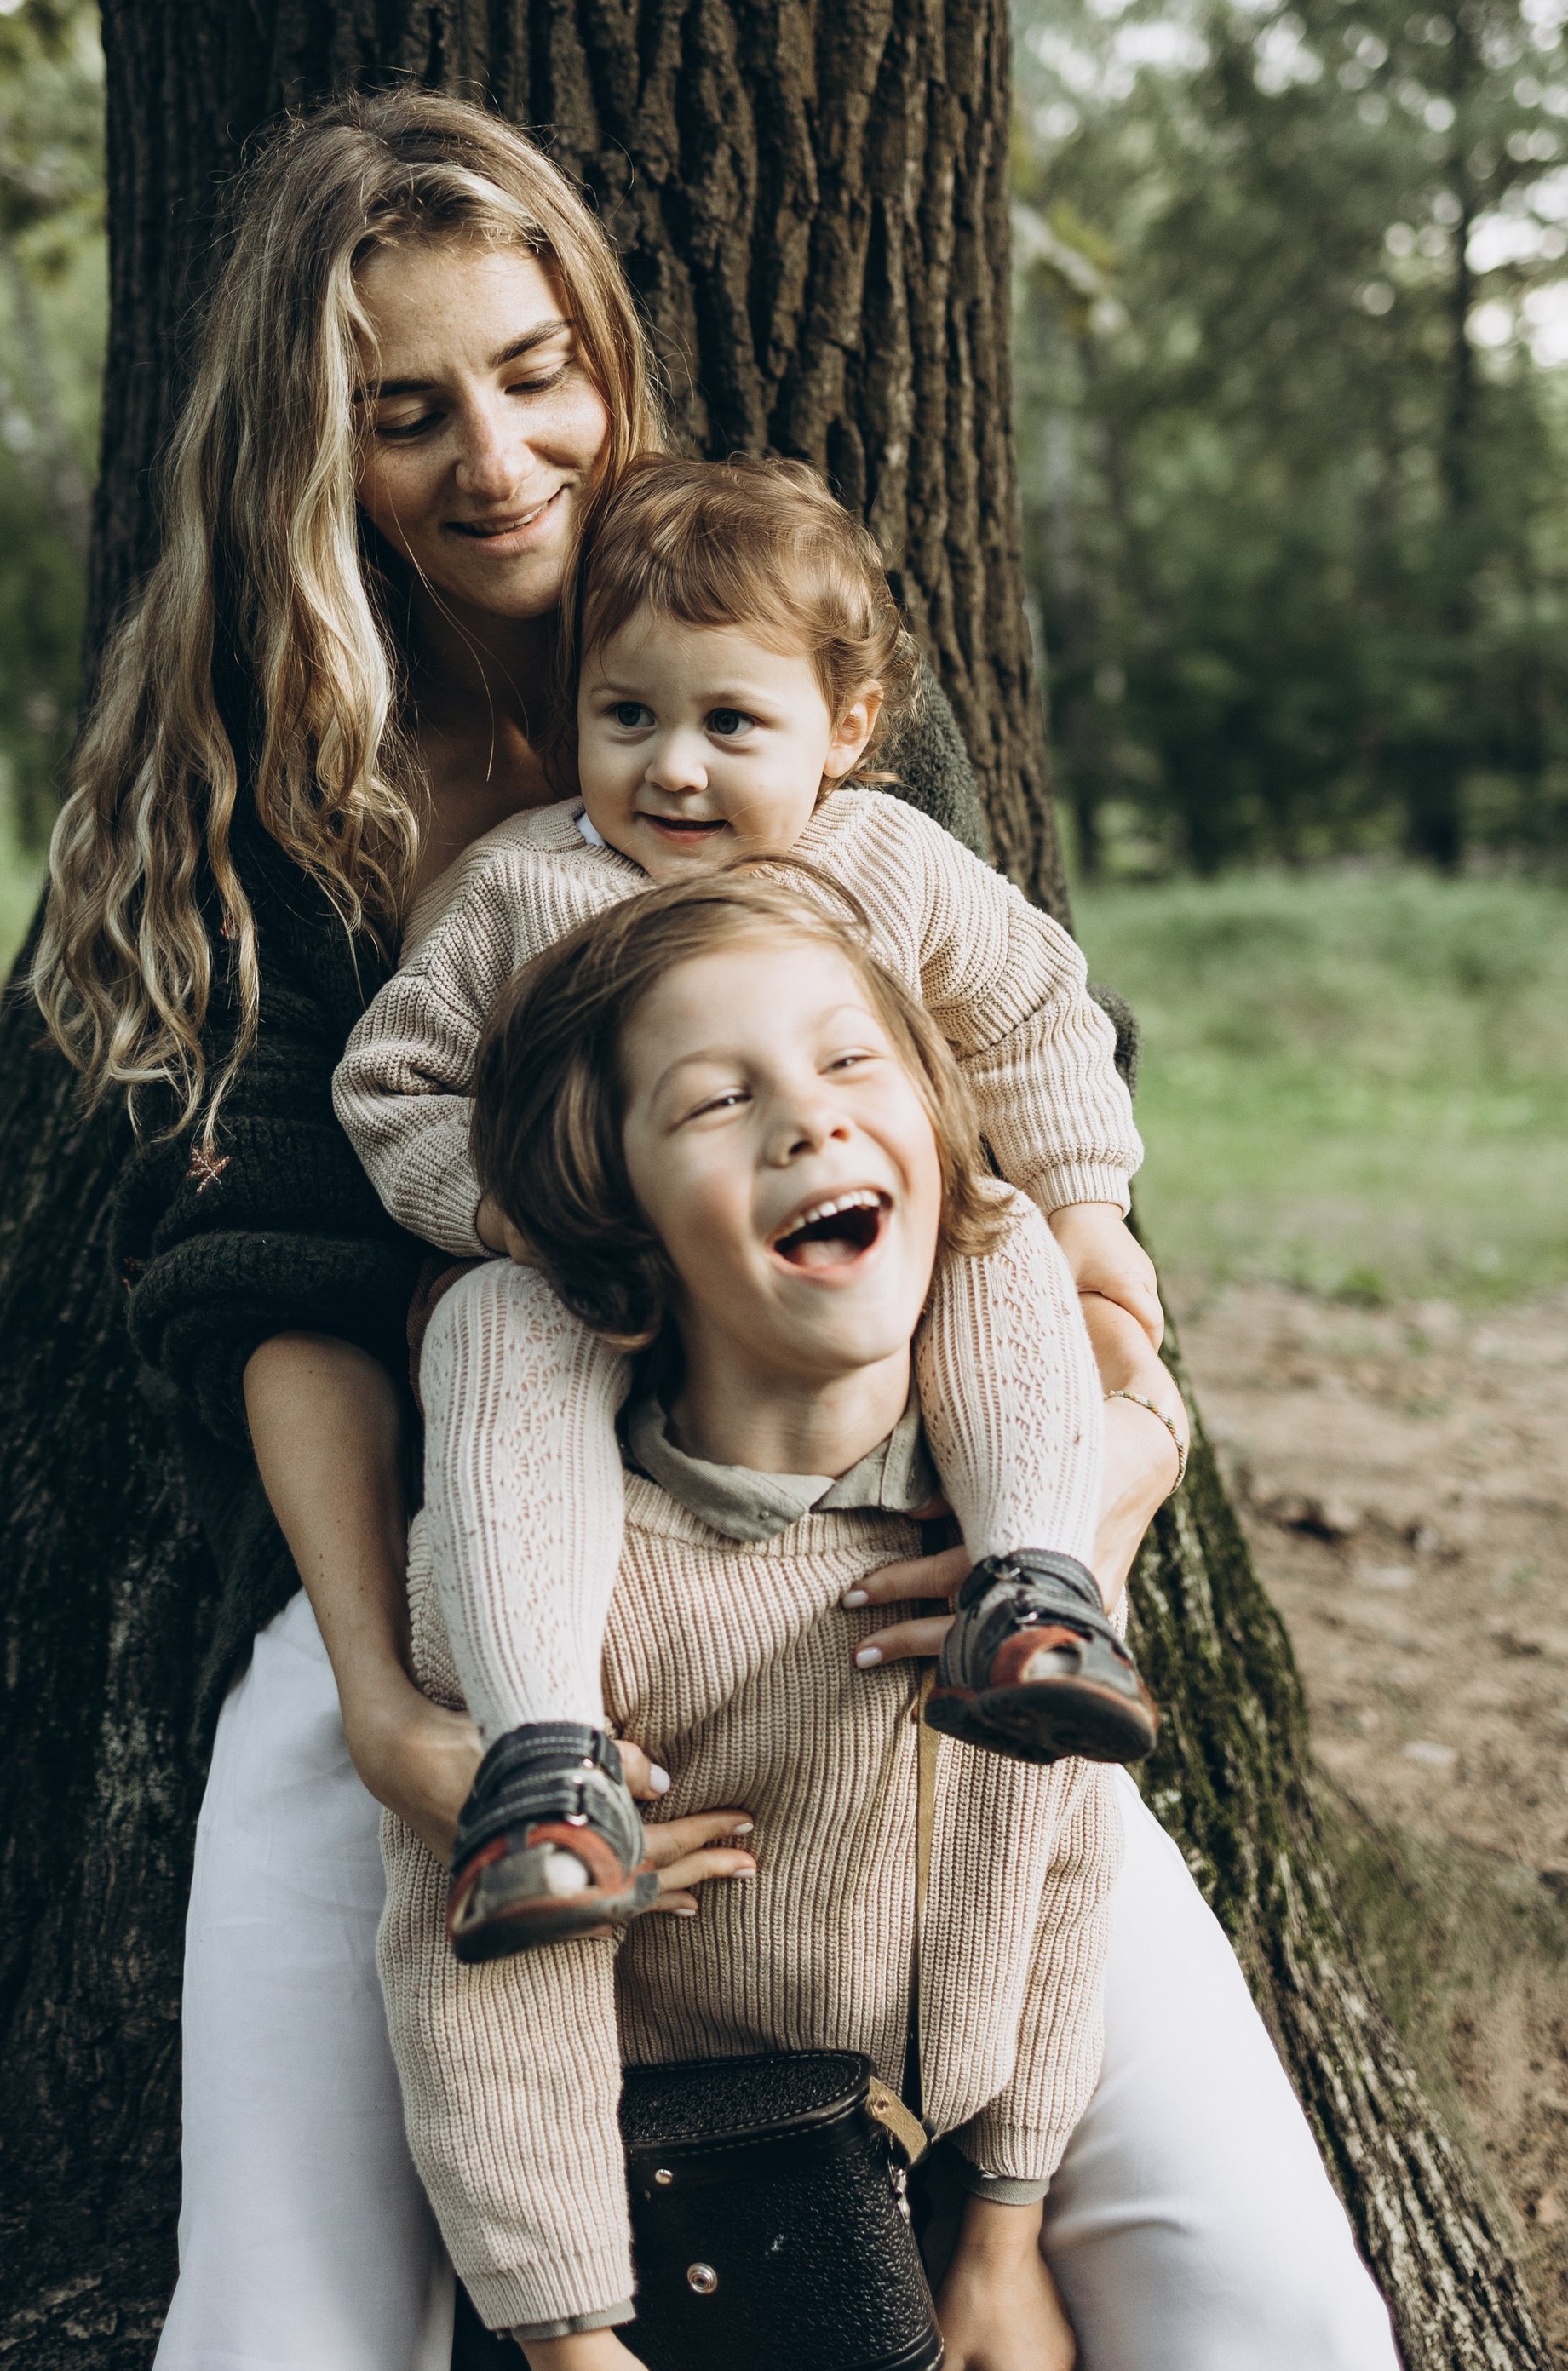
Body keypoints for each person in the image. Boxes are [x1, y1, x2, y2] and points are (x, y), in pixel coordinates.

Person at [32, 86, 1430, 2371]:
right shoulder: (308, 788)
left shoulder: (766, 624)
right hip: (484, 1559)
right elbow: (271, 1278)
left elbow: (980, 1099)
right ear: (317, 452)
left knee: (1240, 2260)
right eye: (410, 411)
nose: (499, 456)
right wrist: (383, 1693)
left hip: (887, 1531)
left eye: (536, 367)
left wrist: (1099, 1465)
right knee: (297, 2299)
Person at [335, 452, 1179, 1963]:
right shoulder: (521, 892)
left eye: (732, 724)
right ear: (575, 707)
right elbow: (394, 1084)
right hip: (608, 1293)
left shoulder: (888, 867)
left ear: (845, 730)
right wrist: (515, 1214)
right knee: (487, 1319)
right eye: (628, 717)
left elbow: (1036, 1015)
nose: (672, 770)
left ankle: (1032, 1589)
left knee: (991, 1234)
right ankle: (542, 1759)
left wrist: (1087, 1202)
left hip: (834, 1315)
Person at [382, 875, 1116, 2371]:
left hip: (945, 2191)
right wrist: (573, 2344)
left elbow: (1064, 1873)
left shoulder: (1006, 1558)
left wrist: (1005, 2231)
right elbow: (488, 1989)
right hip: (662, 2222)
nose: (806, 1123)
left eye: (854, 1068)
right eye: (719, 1100)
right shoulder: (573, 1587)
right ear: (611, 1201)